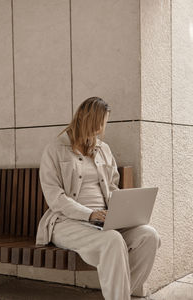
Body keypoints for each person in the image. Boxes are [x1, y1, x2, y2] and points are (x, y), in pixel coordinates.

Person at [36, 97, 161, 300]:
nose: (102, 128)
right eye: (100, 123)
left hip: (104, 222)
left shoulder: (104, 149)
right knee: (112, 240)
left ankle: (120, 295)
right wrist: (90, 214)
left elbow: (112, 187)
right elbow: (55, 198)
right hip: (67, 223)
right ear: (88, 119)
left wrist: (121, 211)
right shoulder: (55, 149)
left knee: (149, 235)